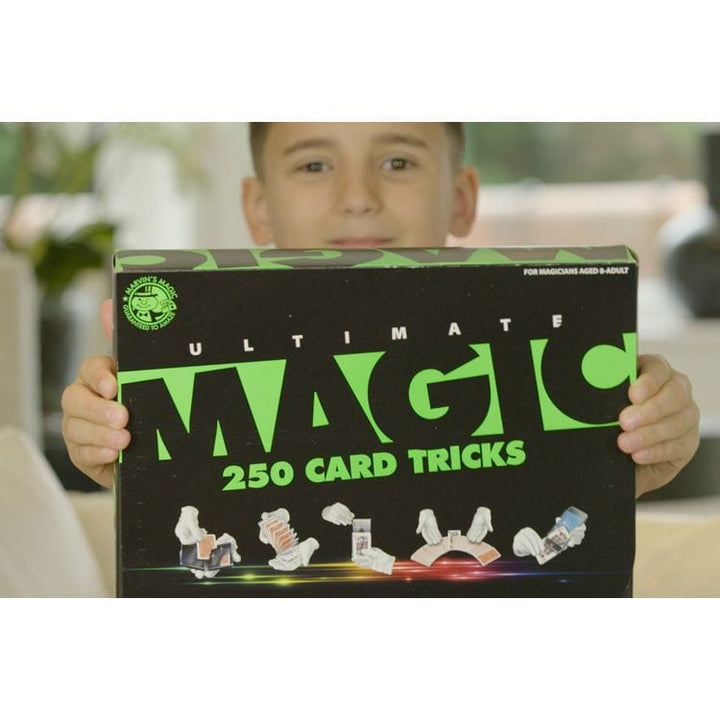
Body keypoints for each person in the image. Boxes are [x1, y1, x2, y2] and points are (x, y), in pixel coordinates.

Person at [60, 122, 700, 498]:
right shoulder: (214, 352)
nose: (358, 197)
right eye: (314, 164)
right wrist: (125, 457)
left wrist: (637, 453)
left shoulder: (522, 342)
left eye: (398, 161)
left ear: (460, 197)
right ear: (258, 207)